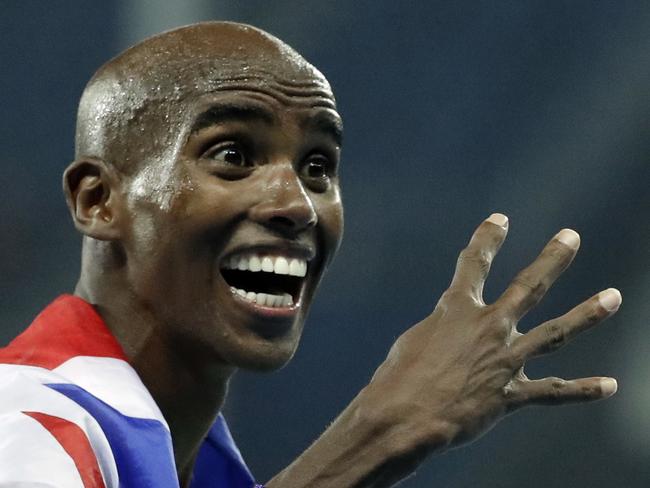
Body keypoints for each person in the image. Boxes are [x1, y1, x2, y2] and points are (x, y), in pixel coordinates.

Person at [0, 21, 621, 488]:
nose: (298, 205)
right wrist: (384, 432)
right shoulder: (25, 423)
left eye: (318, 167)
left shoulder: (187, 459)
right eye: (233, 156)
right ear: (99, 200)